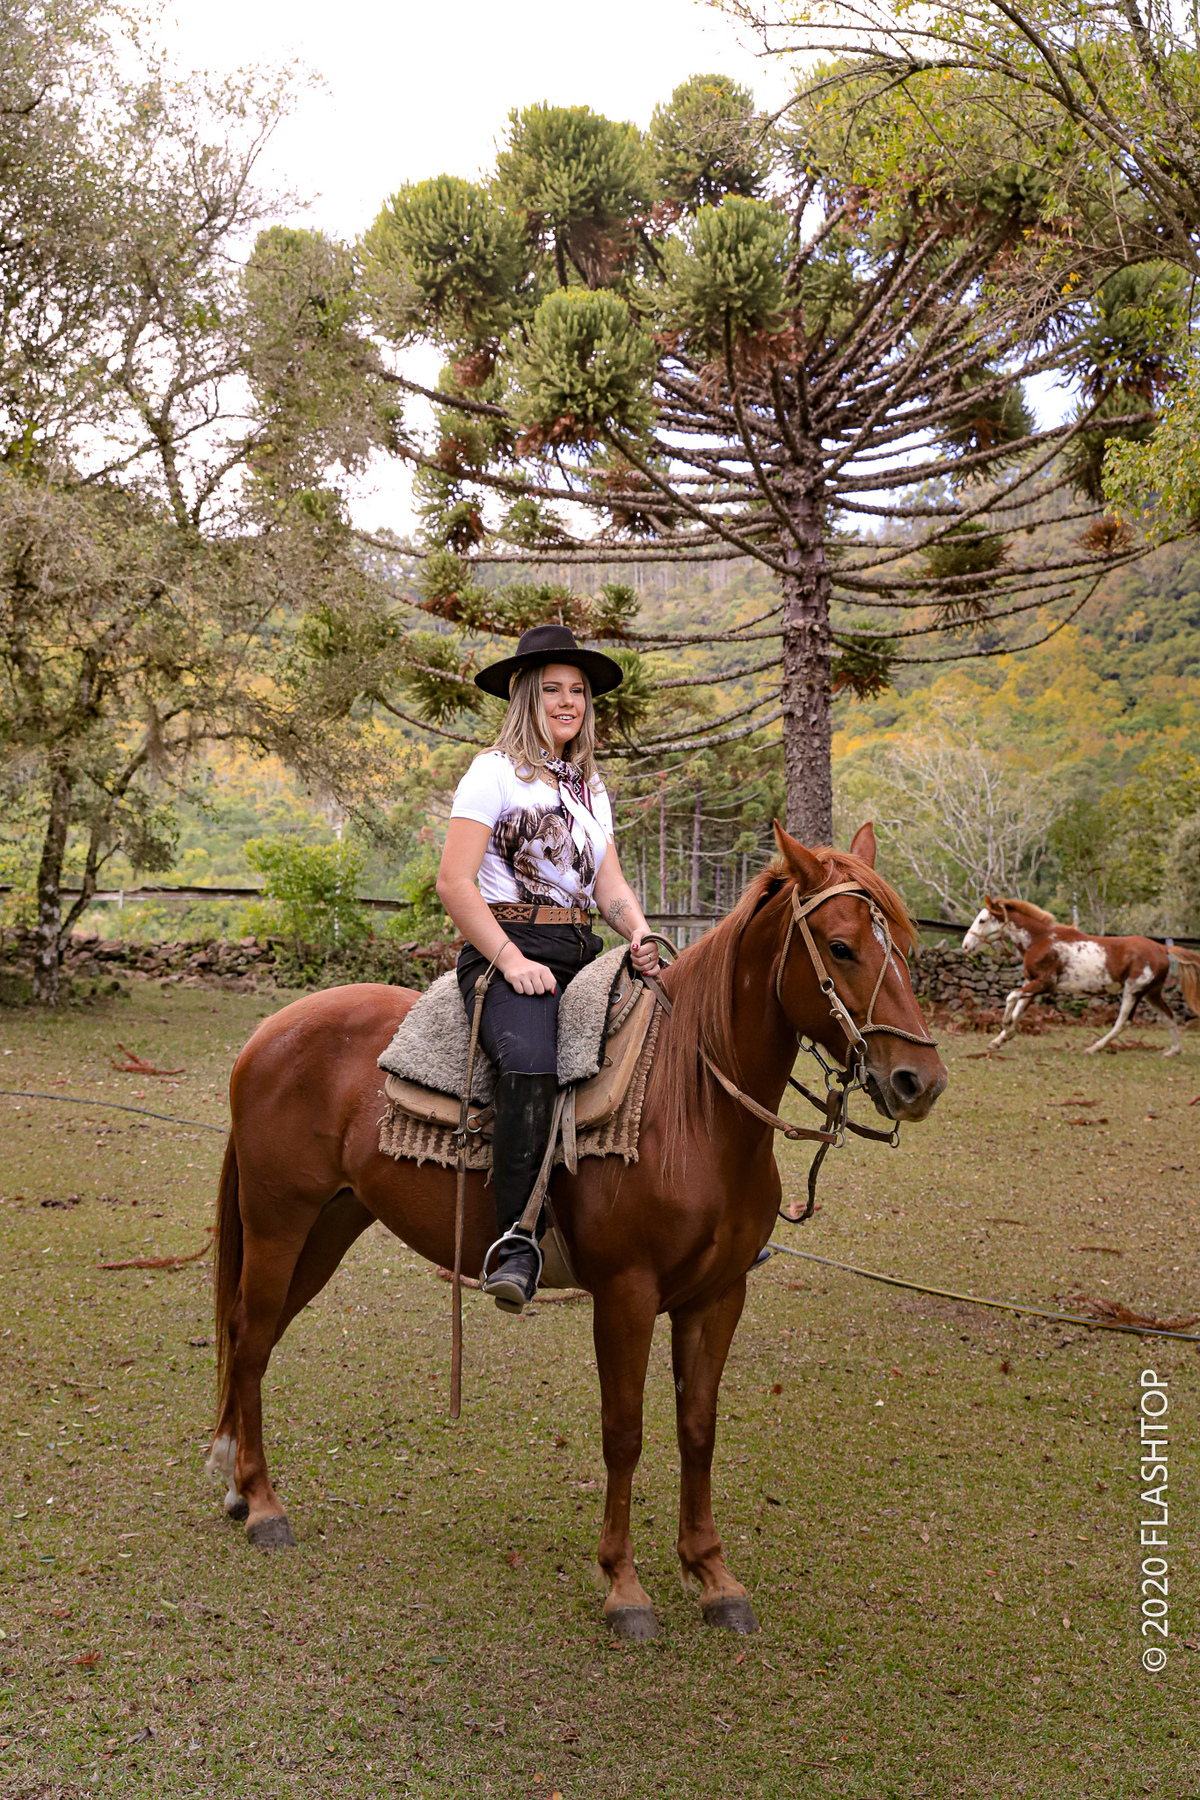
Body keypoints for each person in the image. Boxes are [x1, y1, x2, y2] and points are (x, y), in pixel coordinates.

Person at [436, 623, 661, 1313]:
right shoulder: (493, 772)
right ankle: (517, 1240)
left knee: (670, 1033)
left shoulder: (589, 790)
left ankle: (683, 1210)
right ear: (527, 698)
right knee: (530, 1059)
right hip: (505, 944)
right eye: (554, 690)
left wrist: (639, 929)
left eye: (579, 692)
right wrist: (507, 960)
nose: (569, 702)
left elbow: (608, 886)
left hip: (579, 947)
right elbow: (453, 882)